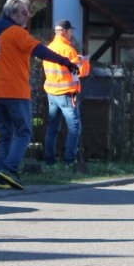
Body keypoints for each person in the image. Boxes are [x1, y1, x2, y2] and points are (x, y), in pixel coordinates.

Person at [0, 0, 79, 190]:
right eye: (24, 12)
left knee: (5, 134)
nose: (28, 16)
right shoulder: (17, 33)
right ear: (12, 14)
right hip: (15, 92)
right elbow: (40, 50)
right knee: (23, 132)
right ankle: (10, 170)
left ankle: (3, 176)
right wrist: (65, 62)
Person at [42, 19, 90, 166]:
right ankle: (69, 160)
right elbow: (80, 71)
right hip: (67, 94)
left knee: (52, 128)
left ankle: (49, 160)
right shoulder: (69, 50)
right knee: (74, 127)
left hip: (52, 93)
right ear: (65, 32)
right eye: (70, 31)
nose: (71, 33)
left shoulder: (48, 48)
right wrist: (84, 62)